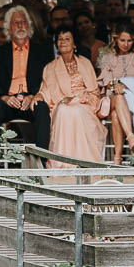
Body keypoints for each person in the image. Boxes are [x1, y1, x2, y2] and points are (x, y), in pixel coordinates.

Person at [0, 6, 51, 147]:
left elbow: (47, 79)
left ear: (29, 25)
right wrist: (4, 97)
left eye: (23, 22)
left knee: (42, 109)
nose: (20, 26)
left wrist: (33, 96)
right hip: (8, 100)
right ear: (9, 28)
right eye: (15, 23)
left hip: (30, 100)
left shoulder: (42, 51)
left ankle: (43, 161)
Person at [38, 27, 105, 166]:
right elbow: (45, 91)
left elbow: (94, 92)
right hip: (60, 104)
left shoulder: (85, 63)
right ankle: (63, 163)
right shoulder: (49, 67)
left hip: (84, 104)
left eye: (67, 39)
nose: (63, 42)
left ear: (74, 44)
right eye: (60, 39)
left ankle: (84, 162)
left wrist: (76, 99)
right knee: (64, 110)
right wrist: (38, 96)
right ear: (56, 44)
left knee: (75, 110)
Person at [97, 24, 134, 159]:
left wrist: (130, 85)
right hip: (112, 97)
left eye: (130, 40)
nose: (126, 44)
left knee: (116, 115)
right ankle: (131, 137)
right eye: (122, 40)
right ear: (116, 40)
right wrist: (116, 85)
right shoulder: (107, 56)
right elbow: (105, 79)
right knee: (119, 96)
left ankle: (117, 157)